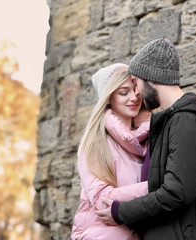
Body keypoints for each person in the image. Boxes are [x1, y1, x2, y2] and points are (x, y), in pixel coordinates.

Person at [96, 38, 196, 240]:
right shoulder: (173, 122)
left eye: (136, 82)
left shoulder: (186, 121)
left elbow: (177, 192)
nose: (137, 93)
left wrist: (120, 212)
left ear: (152, 78)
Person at [71, 63, 151, 240]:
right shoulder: (96, 143)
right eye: (124, 92)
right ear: (108, 98)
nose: (134, 97)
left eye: (135, 90)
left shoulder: (148, 140)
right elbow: (101, 199)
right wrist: (157, 187)